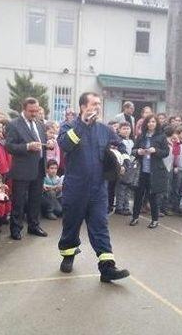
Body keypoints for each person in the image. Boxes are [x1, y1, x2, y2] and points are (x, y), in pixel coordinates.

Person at [57, 92, 129, 282]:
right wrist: (83, 124)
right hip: (75, 188)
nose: (97, 107)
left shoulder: (105, 129)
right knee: (71, 225)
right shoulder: (68, 126)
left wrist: (123, 161)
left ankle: (107, 268)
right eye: (93, 104)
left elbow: (121, 147)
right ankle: (68, 255)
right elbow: (65, 145)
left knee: (100, 226)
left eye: (99, 104)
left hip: (99, 189)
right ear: (83, 107)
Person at [5, 98, 51, 240]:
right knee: (19, 200)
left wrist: (48, 144)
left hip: (39, 166)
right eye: (31, 111)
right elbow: (9, 146)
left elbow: (41, 142)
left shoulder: (39, 123)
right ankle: (16, 228)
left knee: (35, 199)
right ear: (24, 109)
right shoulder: (14, 124)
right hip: (22, 169)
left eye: (36, 111)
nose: (34, 113)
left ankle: (34, 225)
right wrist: (27, 147)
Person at [130, 115, 169, 229]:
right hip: (141, 171)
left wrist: (155, 150)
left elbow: (166, 152)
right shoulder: (141, 136)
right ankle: (135, 217)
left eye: (153, 122)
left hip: (155, 171)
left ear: (156, 123)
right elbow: (133, 150)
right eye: (149, 122)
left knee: (153, 197)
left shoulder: (161, 136)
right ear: (145, 124)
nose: (151, 124)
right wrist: (139, 152)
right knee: (138, 195)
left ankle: (155, 220)